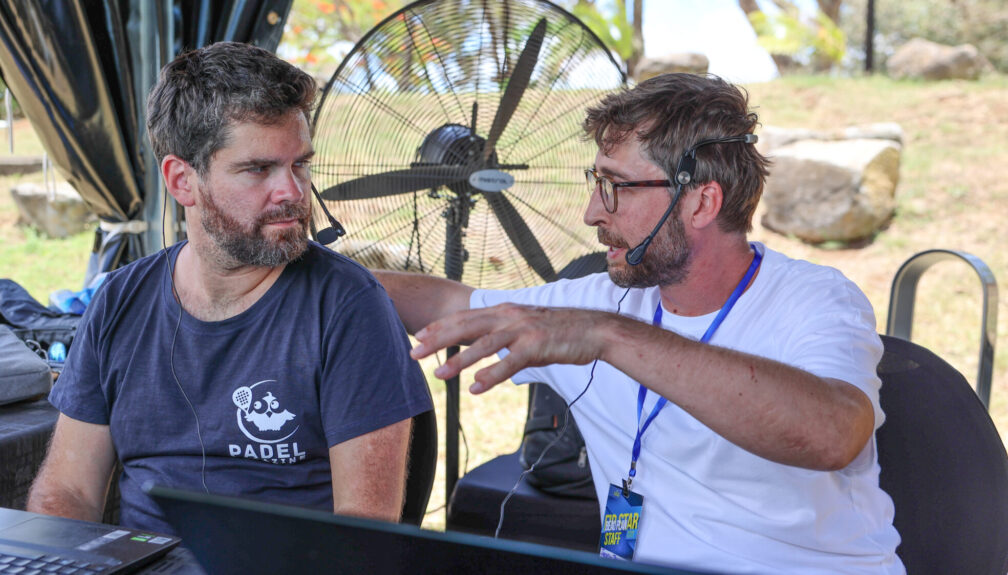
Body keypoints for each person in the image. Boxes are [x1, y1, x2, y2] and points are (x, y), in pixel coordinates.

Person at [376, 73, 904, 573]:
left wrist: (607, 336)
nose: (591, 213)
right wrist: (301, 263)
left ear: (700, 202)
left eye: (616, 186)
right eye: (595, 182)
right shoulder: (597, 299)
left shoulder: (816, 299)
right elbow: (449, 304)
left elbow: (835, 434)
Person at [27, 42, 433, 534]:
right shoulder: (118, 301)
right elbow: (67, 490)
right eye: (259, 169)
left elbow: (364, 531)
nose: (293, 192)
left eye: (300, 164)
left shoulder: (348, 307)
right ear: (182, 181)